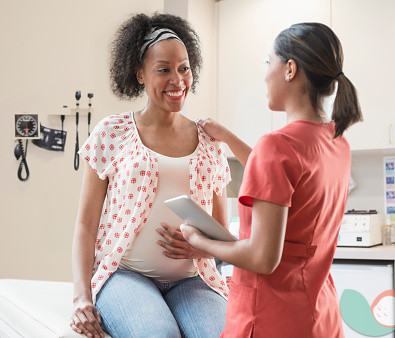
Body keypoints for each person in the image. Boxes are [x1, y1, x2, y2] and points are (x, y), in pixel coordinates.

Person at [177, 22, 363, 337]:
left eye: (269, 63)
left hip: (269, 318)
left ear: (290, 69)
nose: (265, 75)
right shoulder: (337, 143)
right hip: (319, 315)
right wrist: (226, 136)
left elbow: (262, 258)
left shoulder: (277, 146)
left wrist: (200, 243)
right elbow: (281, 178)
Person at [70, 13, 231, 338]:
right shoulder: (111, 133)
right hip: (126, 275)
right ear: (139, 74)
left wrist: (204, 248)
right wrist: (81, 298)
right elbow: (86, 226)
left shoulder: (211, 142)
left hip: (193, 280)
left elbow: (222, 233)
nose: (178, 79)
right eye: (164, 69)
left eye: (183, 67)